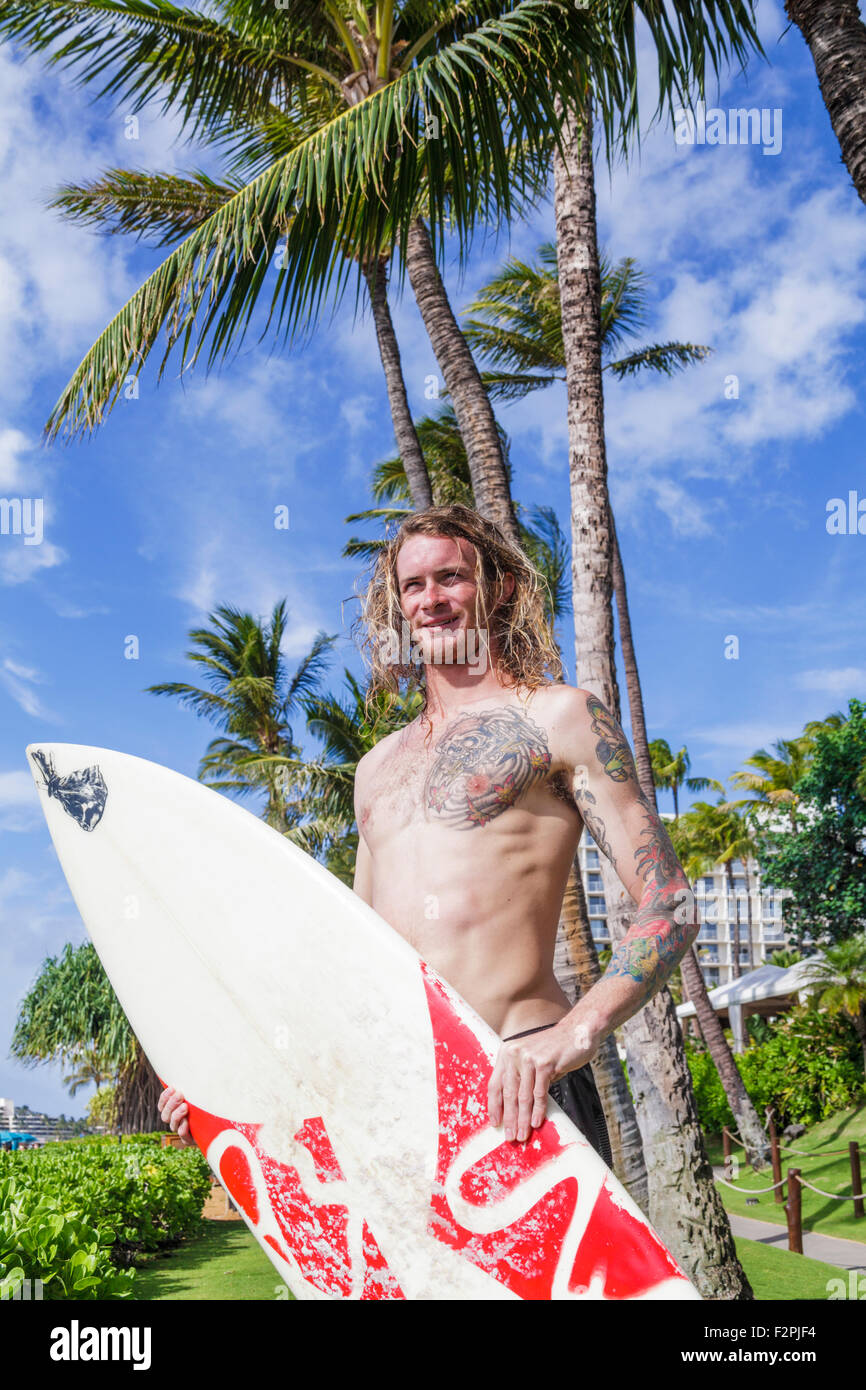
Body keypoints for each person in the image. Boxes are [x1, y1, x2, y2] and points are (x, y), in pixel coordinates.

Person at [160, 504, 698, 1163]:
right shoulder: (376, 769)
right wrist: (232, 1089)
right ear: (398, 605)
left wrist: (575, 1034)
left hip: (520, 1086)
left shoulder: (559, 718)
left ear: (498, 588)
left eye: (451, 578)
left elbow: (669, 902)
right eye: (414, 586)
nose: (431, 600)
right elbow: (352, 964)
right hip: (399, 1102)